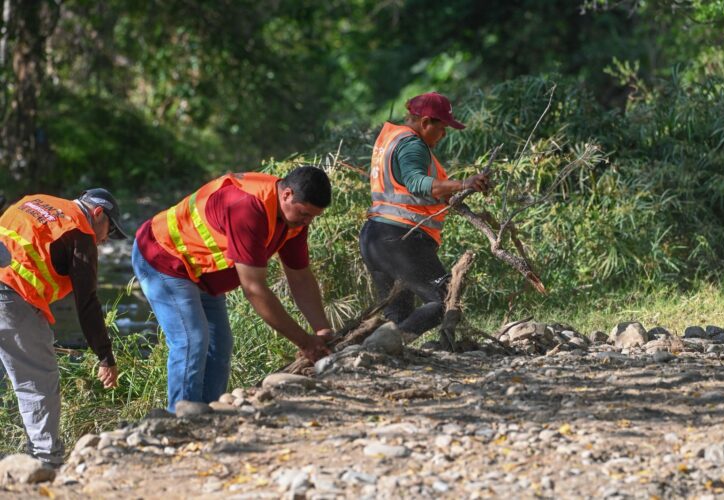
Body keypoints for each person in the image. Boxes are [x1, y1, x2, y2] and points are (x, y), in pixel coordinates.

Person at [131, 166, 333, 413]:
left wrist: (322, 329)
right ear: (287, 194)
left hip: (203, 271)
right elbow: (254, 289)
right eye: (304, 213)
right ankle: (180, 417)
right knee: (192, 340)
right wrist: (305, 342)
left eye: (313, 216)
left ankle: (207, 413)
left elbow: (300, 276)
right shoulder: (247, 208)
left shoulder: (293, 218)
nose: (307, 222)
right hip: (162, 256)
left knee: (220, 344)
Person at [0, 188, 126, 465]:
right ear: (98, 213)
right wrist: (105, 356)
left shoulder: (33, 200)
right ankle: (47, 460)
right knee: (38, 382)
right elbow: (87, 303)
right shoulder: (80, 232)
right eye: (109, 231)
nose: (105, 240)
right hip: (12, 299)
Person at [360, 92, 489, 342]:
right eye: (442, 128)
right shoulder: (412, 144)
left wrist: (446, 194)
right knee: (444, 299)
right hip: (401, 237)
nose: (444, 135)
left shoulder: (392, 139)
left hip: (375, 237)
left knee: (398, 312)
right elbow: (417, 183)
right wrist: (464, 183)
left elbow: (406, 188)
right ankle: (382, 347)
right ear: (426, 122)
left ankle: (378, 354)